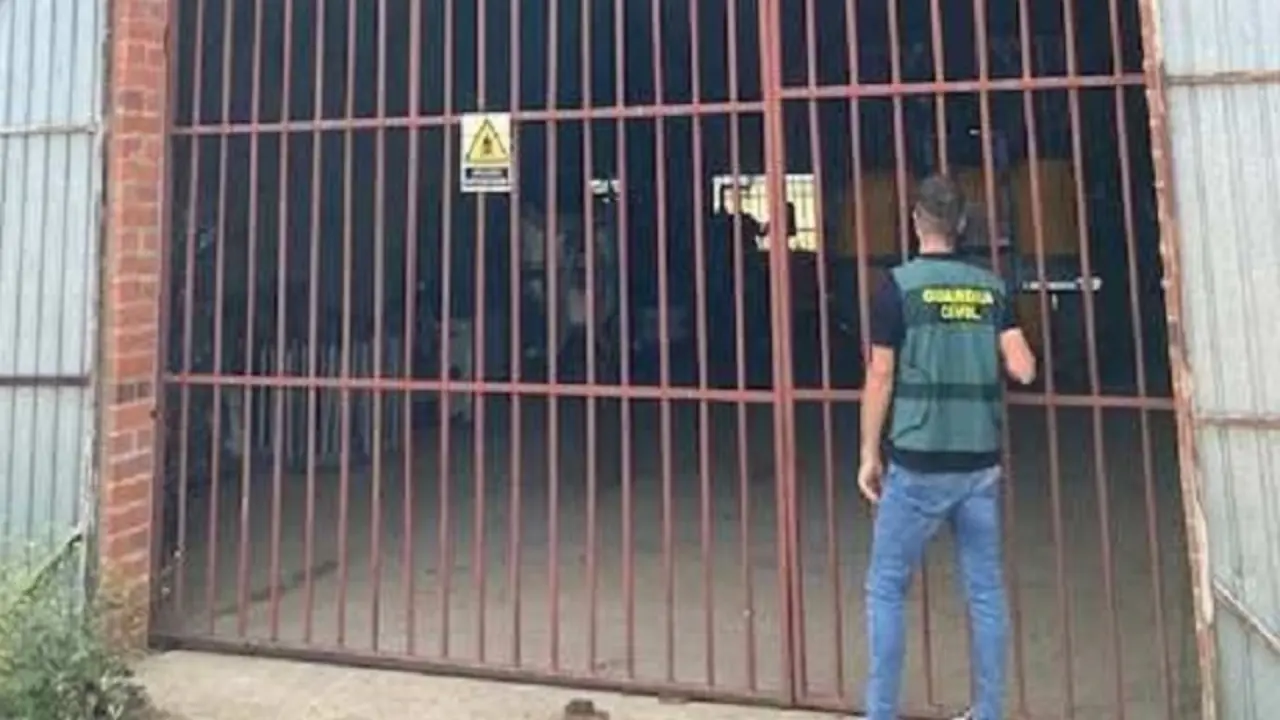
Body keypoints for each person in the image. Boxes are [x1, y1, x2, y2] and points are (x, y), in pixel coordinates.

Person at [857, 175, 1037, 720]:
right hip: (979, 462)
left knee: (886, 587)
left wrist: (869, 453)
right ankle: (987, 712)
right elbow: (1024, 368)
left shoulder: (898, 287)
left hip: (918, 460)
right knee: (984, 591)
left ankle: (881, 713)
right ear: (961, 224)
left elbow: (881, 374)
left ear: (915, 221)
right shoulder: (991, 289)